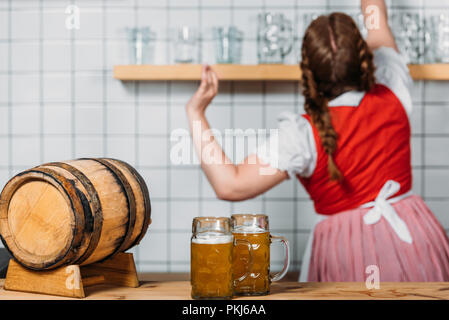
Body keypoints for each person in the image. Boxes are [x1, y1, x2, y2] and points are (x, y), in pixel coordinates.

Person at [184, 0, 449, 281]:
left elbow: (229, 184)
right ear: (364, 57)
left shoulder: (300, 135)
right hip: (414, 237)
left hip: (345, 250)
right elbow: (377, 22)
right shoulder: (394, 84)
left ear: (308, 70)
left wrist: (196, 112)